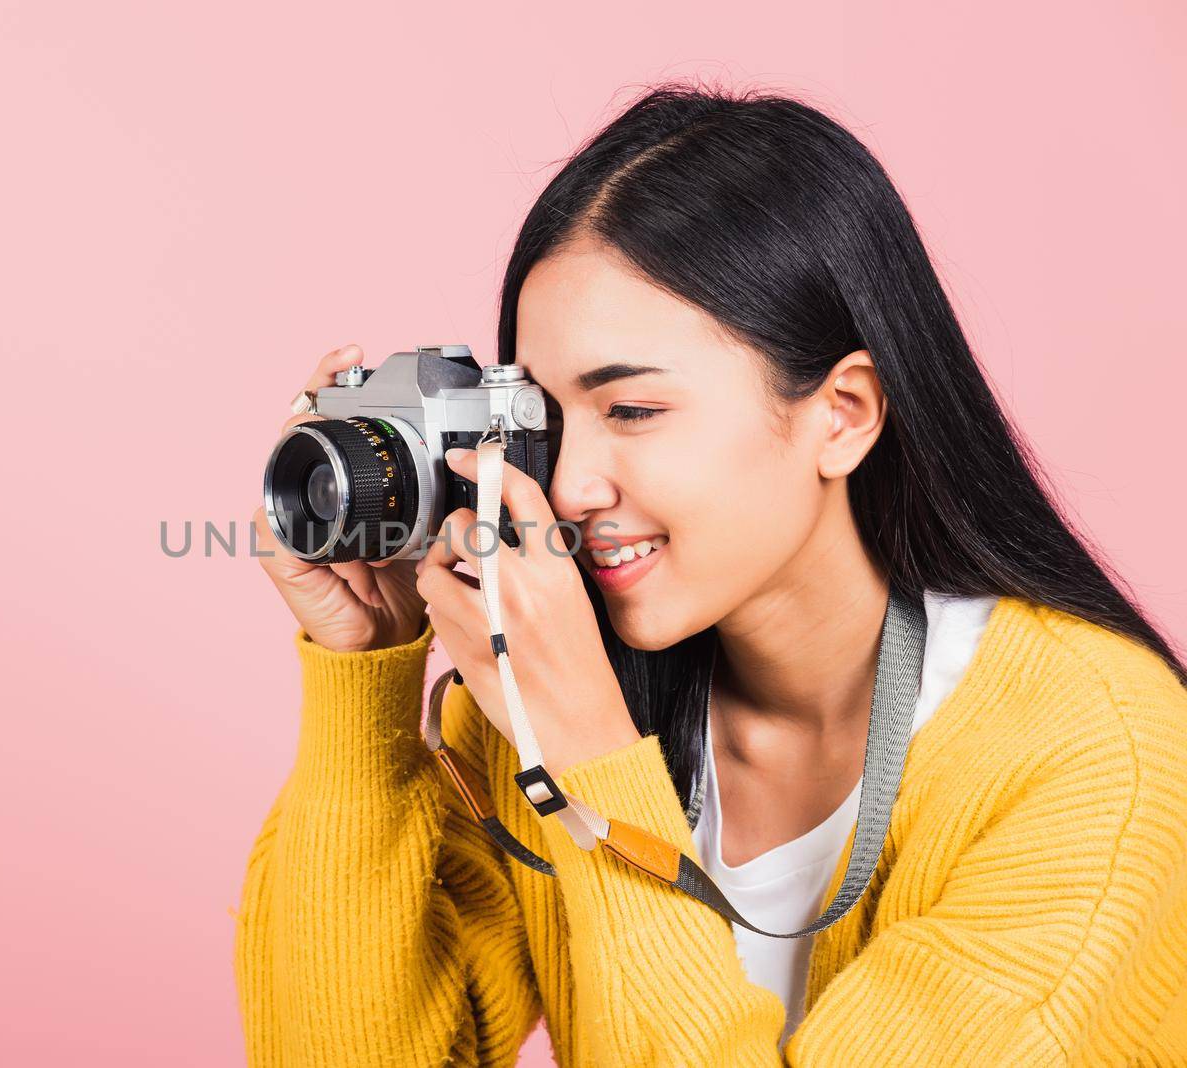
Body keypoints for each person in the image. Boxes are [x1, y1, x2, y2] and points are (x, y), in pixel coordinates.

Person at [233, 83, 1187, 1066]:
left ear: (843, 414)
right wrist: (369, 677)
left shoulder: (1098, 757)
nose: (566, 484)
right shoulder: (554, 691)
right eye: (543, 421)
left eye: (634, 411)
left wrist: (592, 769)